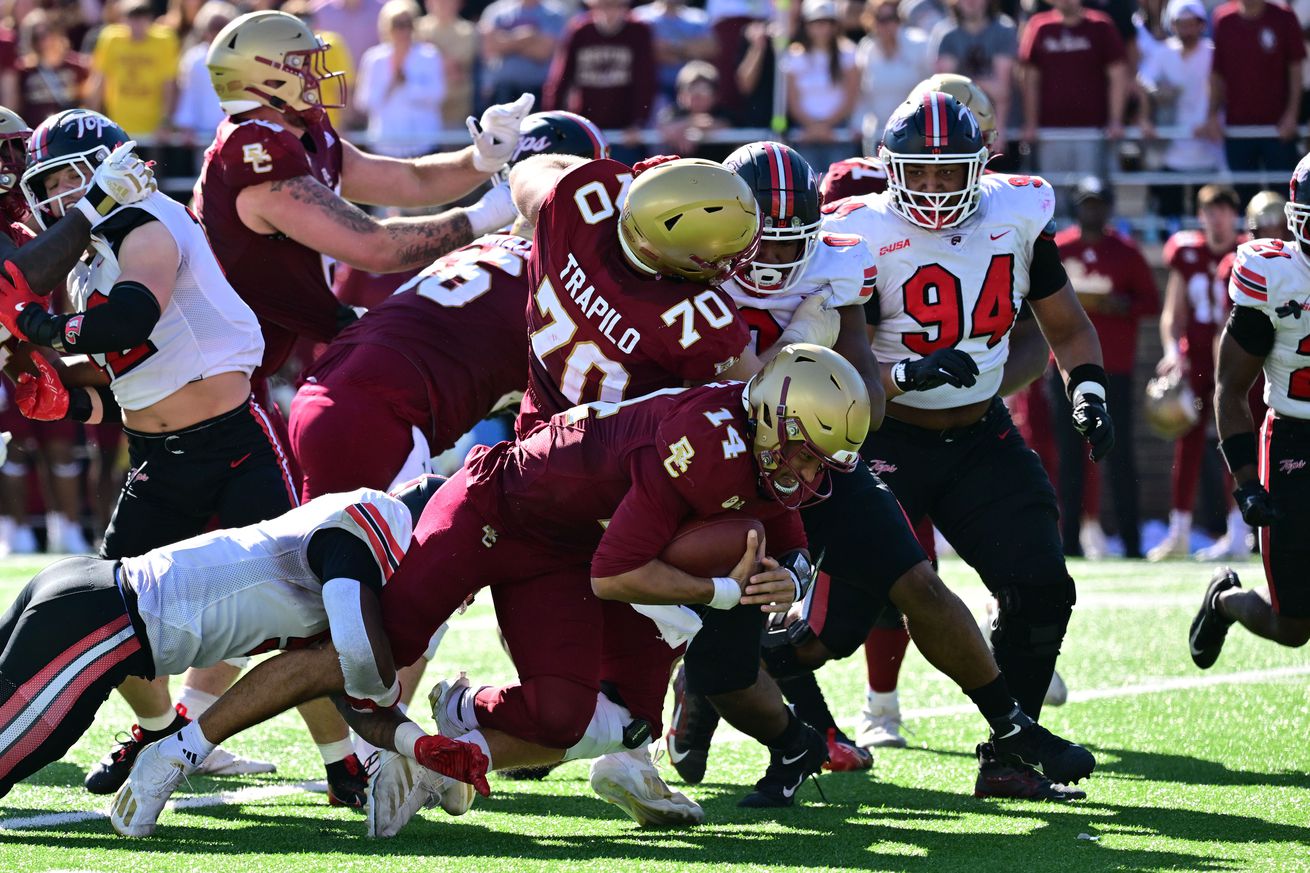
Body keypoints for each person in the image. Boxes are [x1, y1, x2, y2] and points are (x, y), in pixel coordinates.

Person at [667, 141, 1094, 802]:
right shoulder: (690, 265)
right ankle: (722, 714)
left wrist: (853, 428)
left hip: (812, 451)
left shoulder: (837, 258)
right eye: (766, 243)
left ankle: (1011, 731)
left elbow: (860, 360)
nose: (781, 258)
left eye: (795, 241)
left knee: (917, 581)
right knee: (726, 634)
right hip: (716, 457)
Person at [823, 94, 1113, 774]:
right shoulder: (859, 232)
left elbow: (1064, 328)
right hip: (884, 438)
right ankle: (713, 685)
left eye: (947, 173)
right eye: (917, 173)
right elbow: (841, 365)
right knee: (833, 630)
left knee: (1041, 587)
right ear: (889, 169)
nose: (930, 188)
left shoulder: (1015, 215)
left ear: (977, 170)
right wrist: (906, 377)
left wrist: (1090, 387)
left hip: (982, 436)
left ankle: (1009, 759)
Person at [0, 479, 485, 829]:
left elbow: (328, 681)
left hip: (96, 604)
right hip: (104, 620)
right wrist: (392, 701)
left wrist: (419, 746)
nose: (458, 595)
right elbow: (358, 662)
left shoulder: (356, 564)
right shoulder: (381, 521)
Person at [1189, 153, 1310, 671]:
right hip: (1295, 444)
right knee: (1293, 628)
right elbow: (1230, 388)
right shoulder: (1277, 277)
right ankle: (1225, 599)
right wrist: (1245, 482)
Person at [1052, 176, 1158, 559]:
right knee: (1069, 456)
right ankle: (1069, 542)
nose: (1092, 211)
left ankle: (1131, 542)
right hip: (1065, 368)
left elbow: (1150, 301)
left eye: (1098, 204)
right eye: (1086, 204)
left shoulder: (1125, 252)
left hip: (1114, 366)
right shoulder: (1060, 247)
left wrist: (1120, 305)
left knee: (1119, 454)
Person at [1151, 184, 1246, 561]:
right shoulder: (1186, 252)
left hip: (1237, 360)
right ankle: (1179, 531)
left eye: (1222, 209)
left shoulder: (1247, 253)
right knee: (1186, 442)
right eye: (1209, 210)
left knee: (1238, 440)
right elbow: (1172, 314)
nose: (1215, 218)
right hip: (1197, 363)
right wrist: (1173, 352)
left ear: (1234, 215)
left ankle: (1238, 532)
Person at [1018, 0, 1128, 186]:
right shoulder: (1039, 26)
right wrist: (1031, 123)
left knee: (1090, 194)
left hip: (1092, 131)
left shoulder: (1101, 25)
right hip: (1050, 132)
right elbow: (1029, 79)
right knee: (1052, 196)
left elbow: (1118, 75)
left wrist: (1115, 120)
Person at [1203, 0, 1305, 193]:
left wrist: (1292, 115)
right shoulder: (1223, 19)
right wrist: (1212, 115)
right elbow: (1217, 74)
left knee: (1284, 197)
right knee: (1244, 199)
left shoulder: (1284, 17)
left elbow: (1296, 69)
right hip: (1237, 130)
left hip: (1277, 131)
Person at [542, 0, 657, 164]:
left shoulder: (638, 31)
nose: (608, 13)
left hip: (624, 131)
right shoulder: (579, 31)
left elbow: (646, 81)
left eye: (615, 6)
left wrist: (638, 122)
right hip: (585, 127)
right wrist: (554, 123)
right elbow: (559, 80)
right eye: (603, 6)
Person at [355, 0, 446, 157]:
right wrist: (390, 84)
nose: (403, 30)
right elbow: (364, 102)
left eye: (408, 23)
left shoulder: (429, 55)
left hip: (423, 144)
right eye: (397, 24)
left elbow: (438, 94)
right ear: (386, 26)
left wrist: (409, 84)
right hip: (385, 145)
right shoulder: (374, 58)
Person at [86, 0, 181, 140]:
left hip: (154, 130)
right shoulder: (111, 39)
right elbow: (99, 80)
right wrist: (92, 122)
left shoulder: (164, 41)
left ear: (150, 19)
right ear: (122, 19)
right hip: (117, 127)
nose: (137, 25)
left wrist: (165, 122)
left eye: (141, 18)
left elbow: (169, 84)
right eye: (132, 18)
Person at [784, 0, 860, 172]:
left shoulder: (848, 53)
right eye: (816, 23)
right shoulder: (794, 55)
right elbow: (792, 98)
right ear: (807, 25)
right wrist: (812, 127)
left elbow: (851, 96)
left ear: (834, 25)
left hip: (838, 132)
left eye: (826, 22)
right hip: (805, 133)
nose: (821, 28)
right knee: (809, 186)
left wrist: (826, 126)